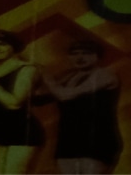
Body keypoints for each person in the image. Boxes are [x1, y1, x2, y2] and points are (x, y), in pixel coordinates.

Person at [43, 38, 121, 175]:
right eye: (75, 53)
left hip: (97, 138)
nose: (80, 57)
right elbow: (41, 97)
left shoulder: (104, 74)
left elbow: (65, 95)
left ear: (97, 56)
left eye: (86, 53)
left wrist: (45, 77)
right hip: (68, 138)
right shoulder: (69, 76)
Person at [0, 30, 42, 173]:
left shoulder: (27, 69)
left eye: (1, 44)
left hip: (21, 130)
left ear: (13, 46)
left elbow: (14, 103)